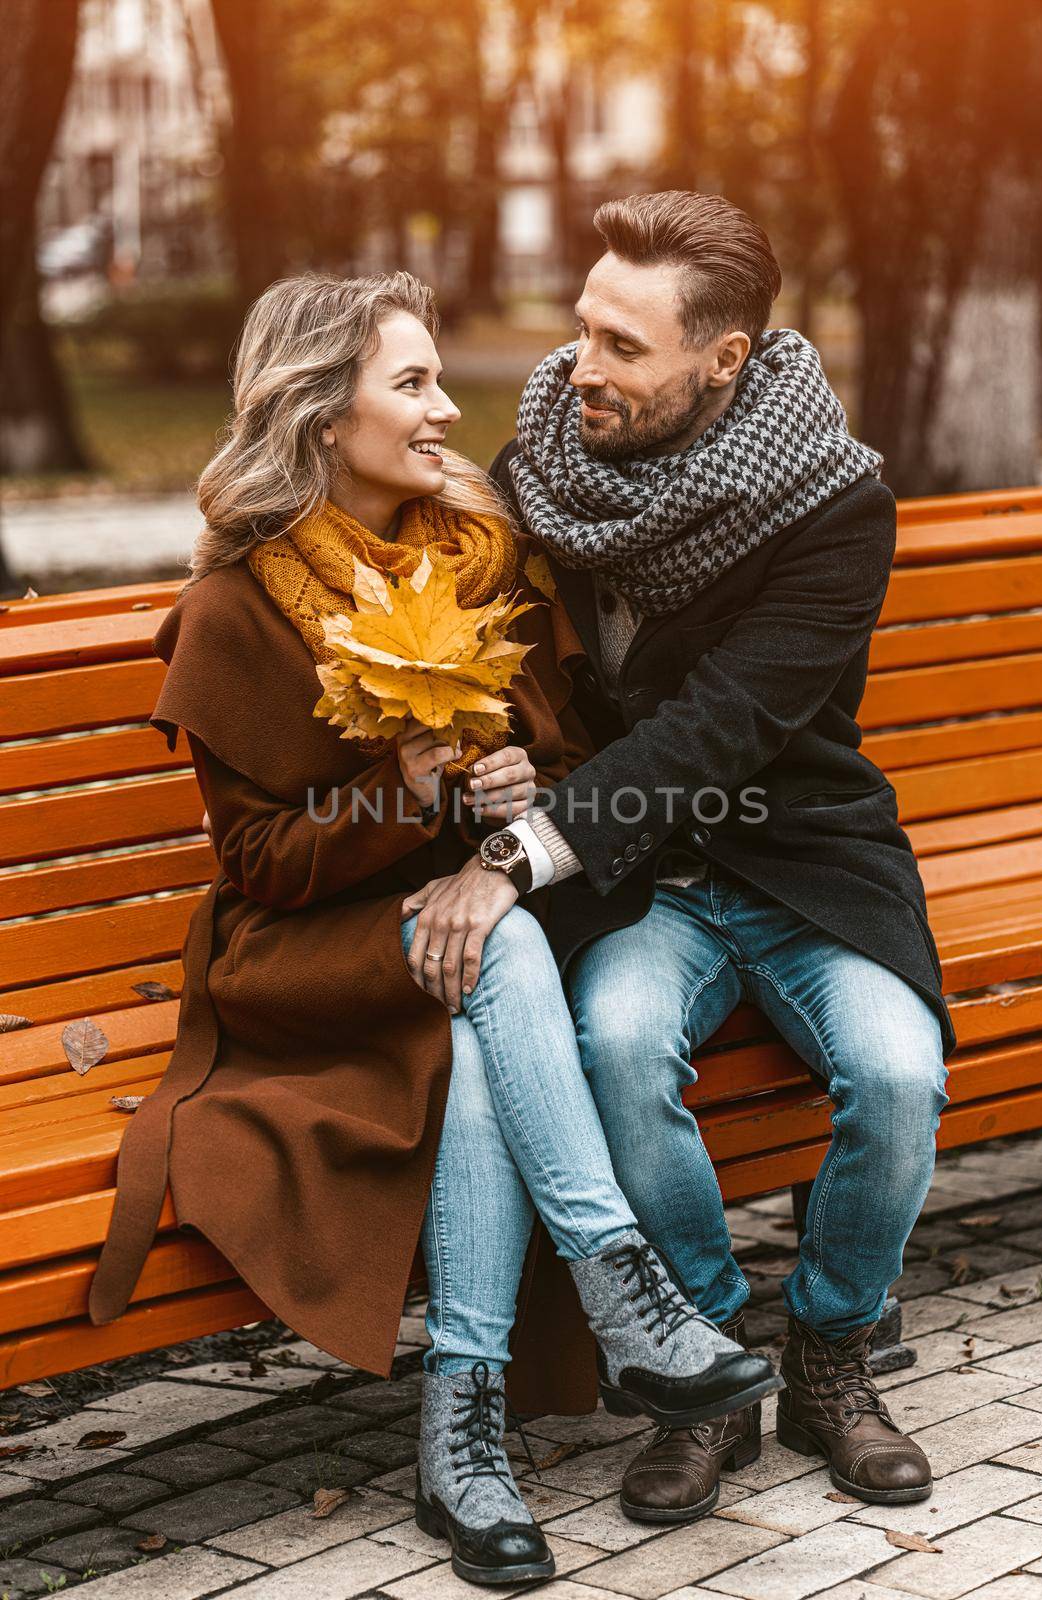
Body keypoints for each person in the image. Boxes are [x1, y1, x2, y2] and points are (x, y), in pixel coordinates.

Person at [87, 269, 780, 1585]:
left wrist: (522, 785)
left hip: (457, 941)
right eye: (410, 383)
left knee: (482, 983)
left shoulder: (480, 559)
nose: (447, 410)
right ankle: (622, 1288)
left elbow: (570, 752)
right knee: (494, 950)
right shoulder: (239, 604)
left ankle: (459, 1429)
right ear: (316, 410)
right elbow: (261, 867)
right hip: (303, 954)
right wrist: (393, 792)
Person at [410, 192, 957, 1521]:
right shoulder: (538, 467)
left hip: (804, 860)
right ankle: (702, 1369)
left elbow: (726, 730)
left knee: (897, 1077)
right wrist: (484, 760)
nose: (581, 366)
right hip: (642, 883)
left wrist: (519, 853)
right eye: (584, 326)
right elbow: (512, 668)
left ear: (723, 361)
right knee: (616, 1050)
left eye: (626, 345)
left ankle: (831, 1348)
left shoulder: (835, 506)